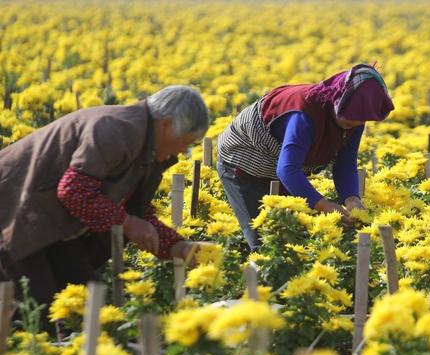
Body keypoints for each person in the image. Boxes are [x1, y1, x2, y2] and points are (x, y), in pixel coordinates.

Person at [0, 85, 209, 317]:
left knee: (87, 302)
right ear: (167, 124)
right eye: (186, 142)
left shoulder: (147, 146)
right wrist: (127, 223)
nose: (182, 151)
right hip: (16, 215)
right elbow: (73, 190)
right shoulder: (116, 130)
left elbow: (135, 211)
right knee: (37, 309)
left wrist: (178, 246)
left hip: (50, 224)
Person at [216, 63, 394, 250]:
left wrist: (351, 198)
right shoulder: (305, 114)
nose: (356, 123)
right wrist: (323, 205)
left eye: (362, 119)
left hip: (283, 165)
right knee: (265, 242)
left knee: (295, 240)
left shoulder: (354, 117)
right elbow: (287, 169)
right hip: (244, 161)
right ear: (337, 101)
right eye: (351, 117)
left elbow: (345, 163)